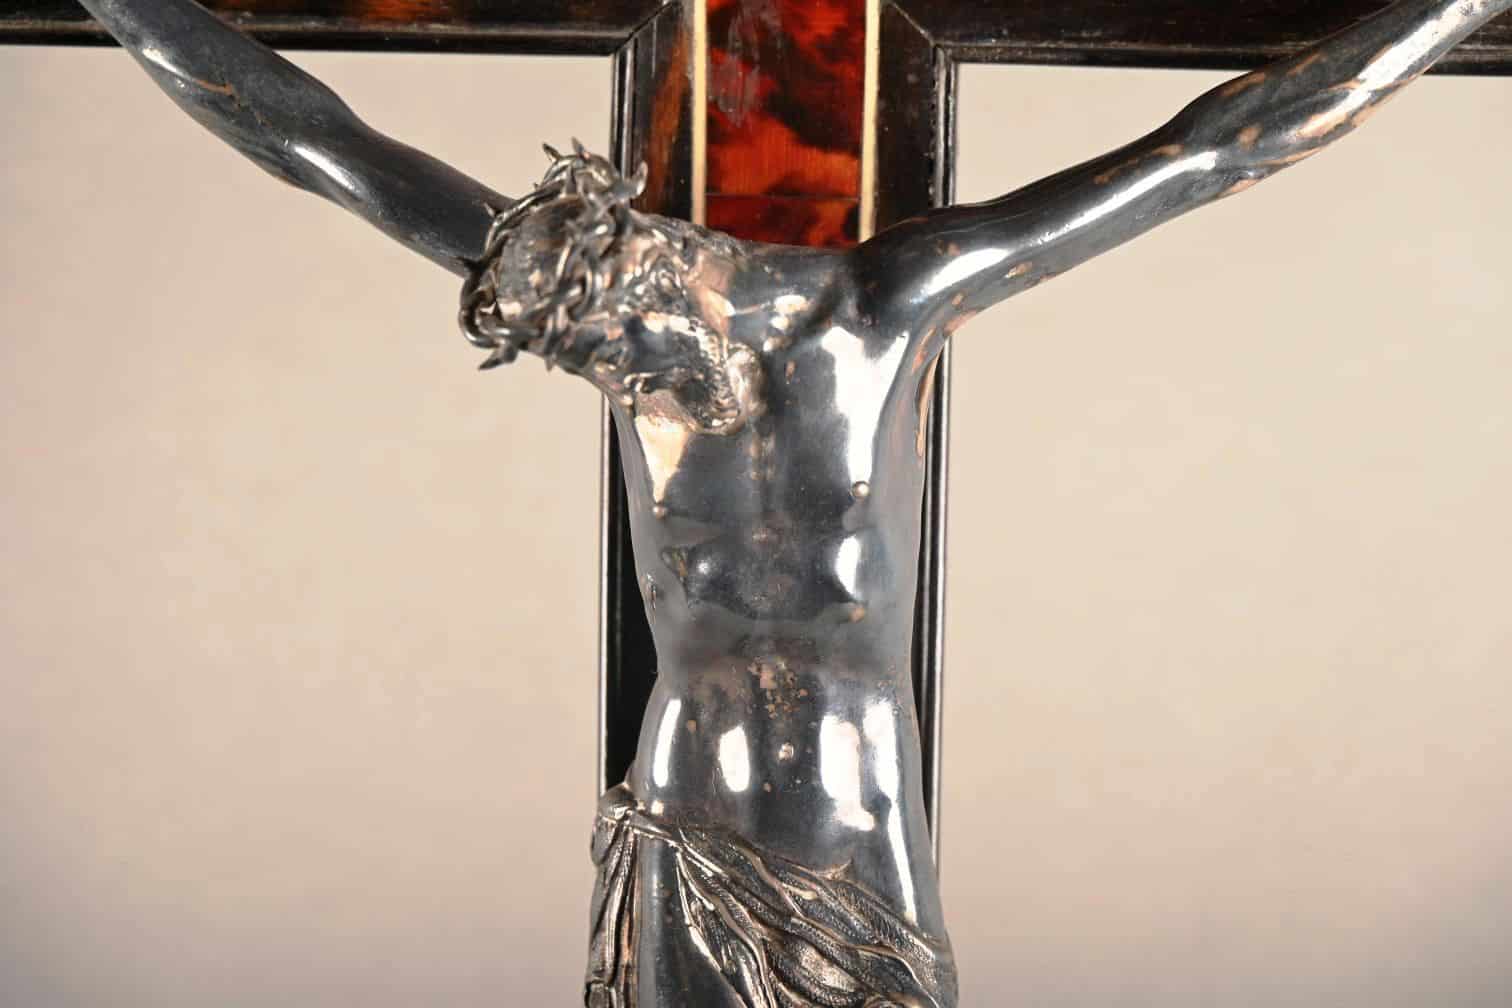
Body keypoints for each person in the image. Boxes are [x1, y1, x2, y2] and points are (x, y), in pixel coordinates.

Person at [71, 2, 1512, 1004]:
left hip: (863, 782)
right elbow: (317, 142)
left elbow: (1212, 150)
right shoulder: (612, 326)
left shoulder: (882, 302)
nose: (617, 375)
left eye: (615, 342)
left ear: (653, 265)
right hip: (686, 784)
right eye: (590, 352)